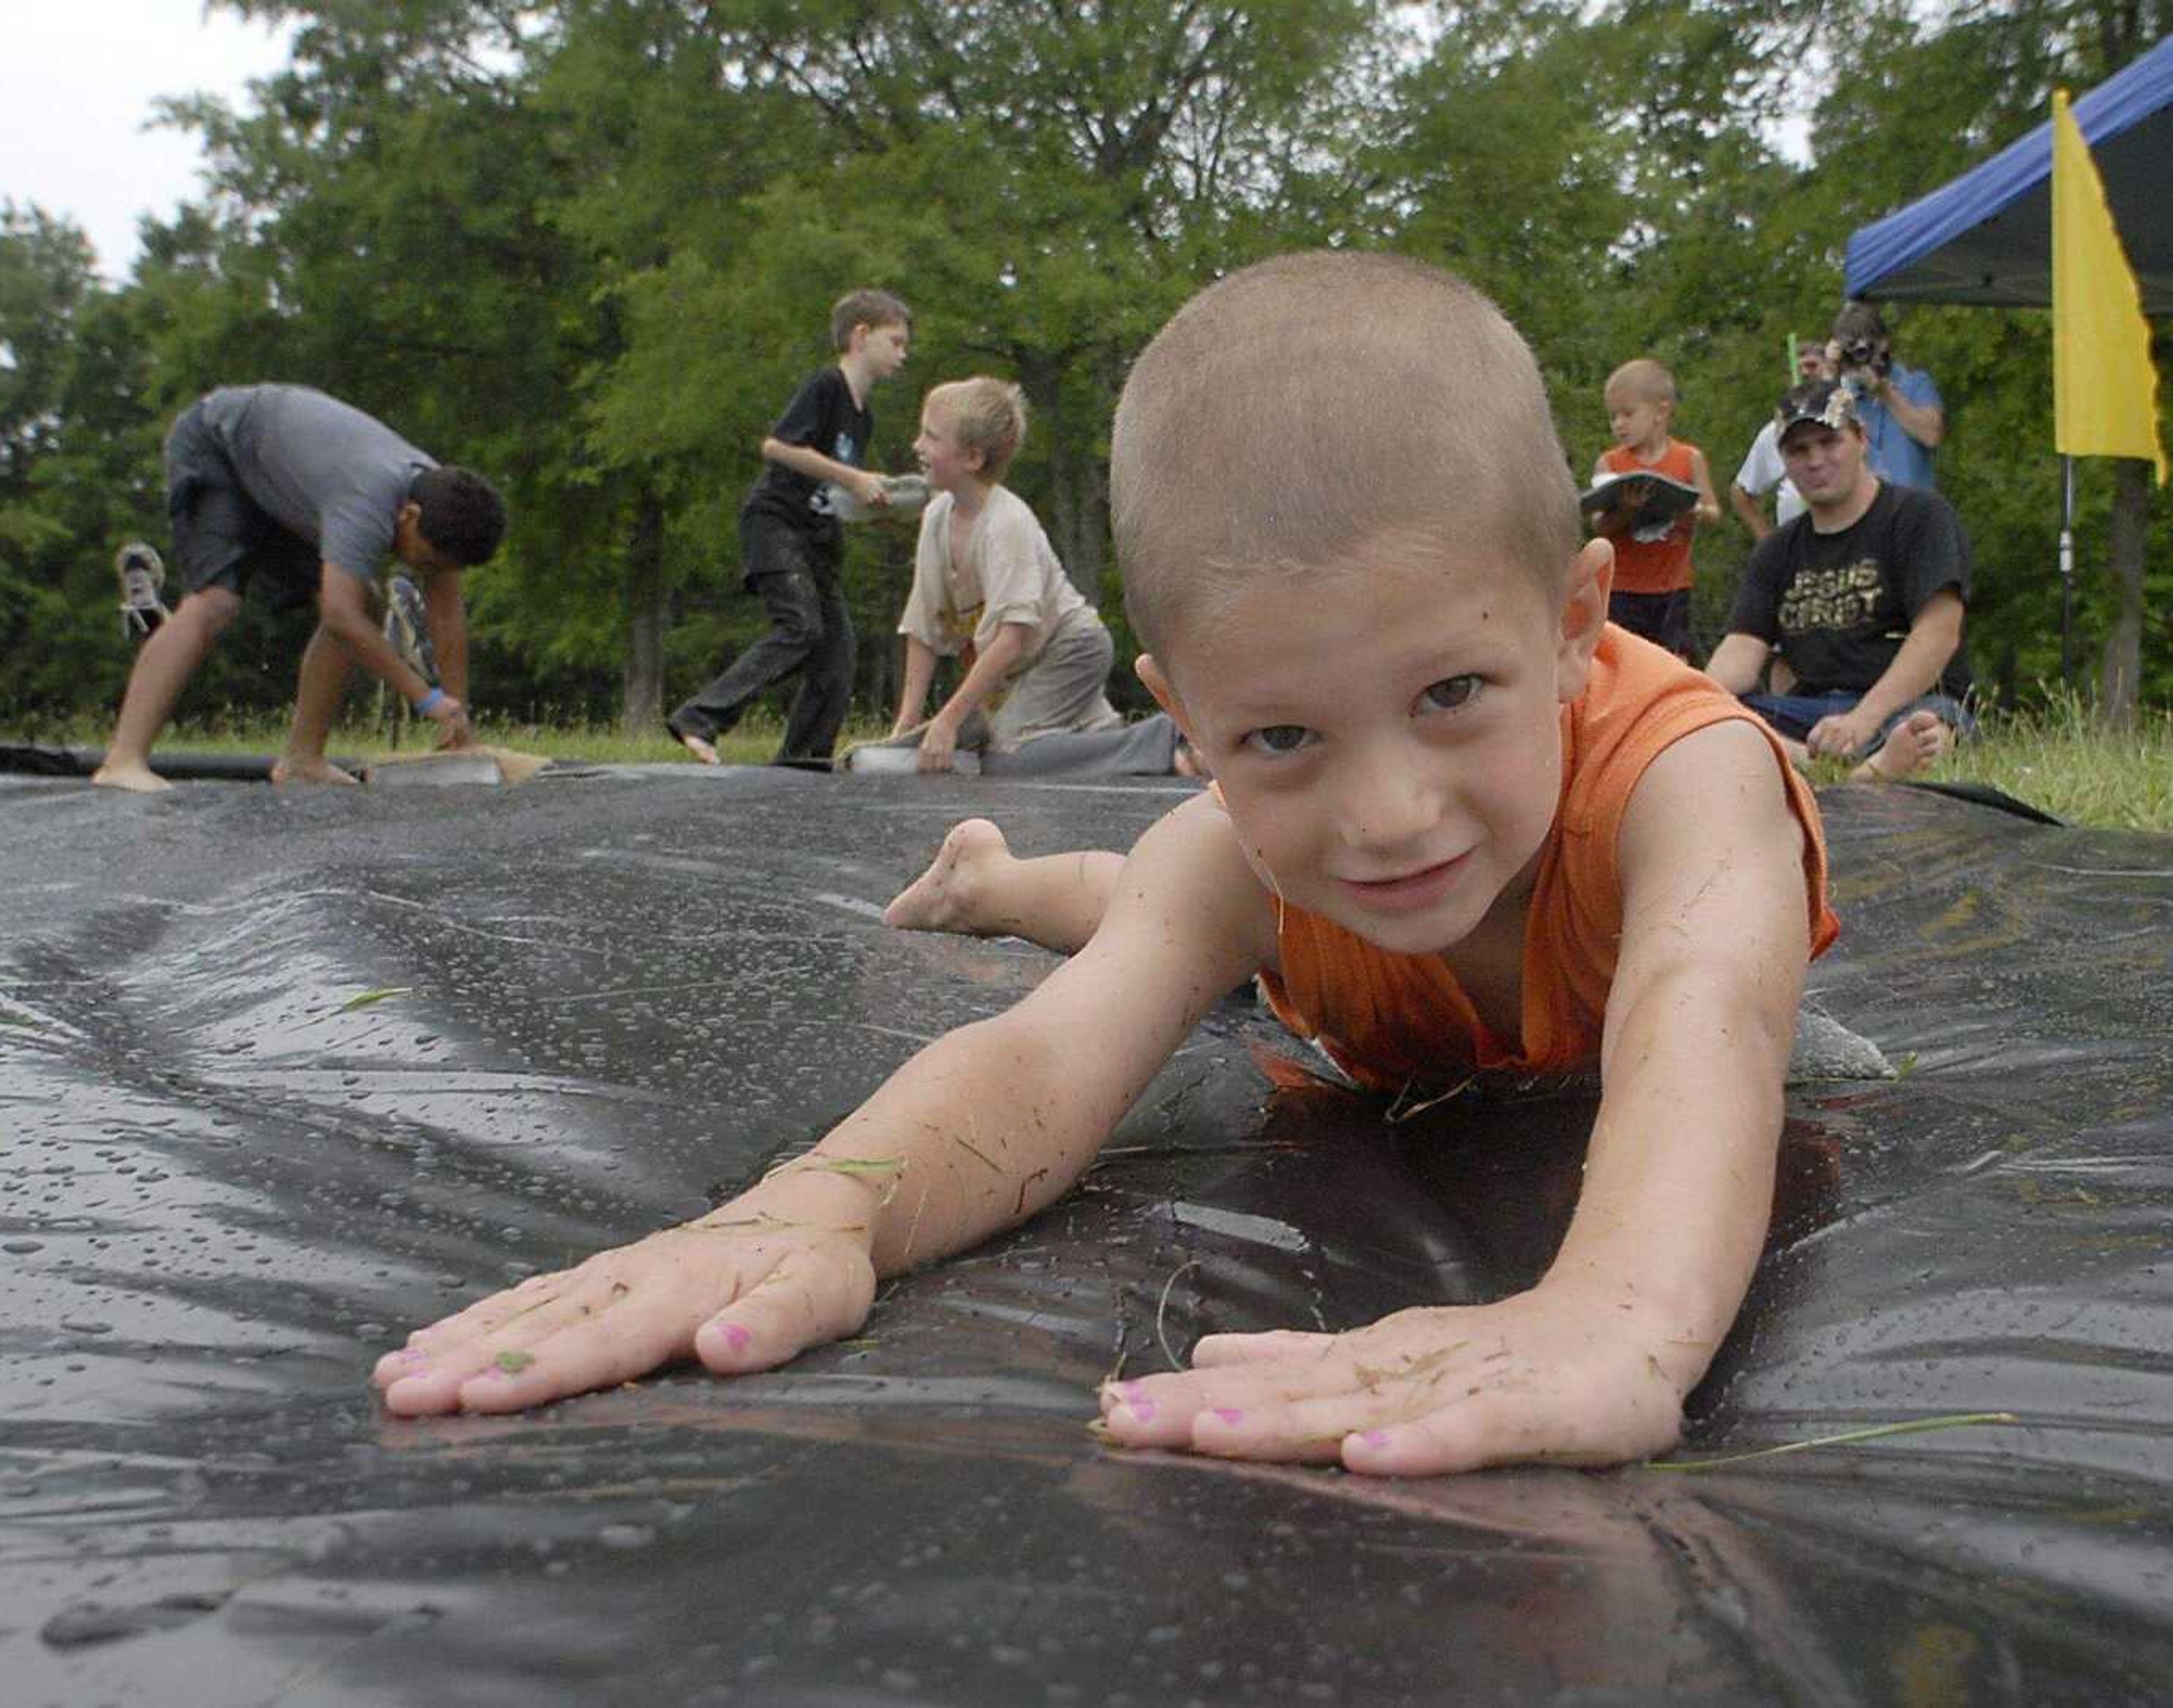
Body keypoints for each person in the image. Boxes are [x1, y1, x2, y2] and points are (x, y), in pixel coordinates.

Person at [375, 251, 1838, 1478]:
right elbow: (1042, 1059)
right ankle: (1001, 880)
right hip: (1303, 937)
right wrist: (817, 1202)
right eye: (1279, 732)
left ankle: (1023, 871)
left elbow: (1706, 1012)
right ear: (1185, 715)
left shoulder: (1684, 776)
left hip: (1524, 977)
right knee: (1178, 894)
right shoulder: (1250, 841)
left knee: (1211, 878)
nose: (1389, 808)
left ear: (1579, 620)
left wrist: (1615, 1311)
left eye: (1453, 693)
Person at [90, 383, 505, 793]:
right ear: (408, 516)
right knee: (217, 602)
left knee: (366, 602)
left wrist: (458, 716)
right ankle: (122, 760)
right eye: (426, 561)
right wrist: (426, 698)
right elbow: (340, 619)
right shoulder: (368, 499)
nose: (424, 570)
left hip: (279, 479)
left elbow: (447, 613)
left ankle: (303, 760)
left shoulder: (445, 504)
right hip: (218, 445)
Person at [666, 290, 912, 768]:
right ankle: (699, 717)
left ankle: (803, 759)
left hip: (818, 536)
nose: (904, 354)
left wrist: (883, 502)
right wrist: (854, 477)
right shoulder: (826, 386)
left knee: (838, 654)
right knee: (800, 627)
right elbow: (778, 447)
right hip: (776, 522)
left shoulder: (864, 418)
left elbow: (833, 490)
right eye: (896, 341)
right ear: (861, 336)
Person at [1705, 379, 1973, 783]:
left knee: (1930, 728)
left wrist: (1863, 720)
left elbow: (1939, 633)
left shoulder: (1920, 516)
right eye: (1799, 450)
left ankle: (1840, 763)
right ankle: (1841, 769)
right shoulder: (1776, 550)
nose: (1815, 461)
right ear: (1784, 461)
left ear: (1861, 439)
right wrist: (1691, 698)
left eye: (1829, 442)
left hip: (1904, 704)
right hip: (1809, 716)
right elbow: (1742, 648)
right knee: (1716, 719)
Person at [850, 377, 1121, 772]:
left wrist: (948, 720)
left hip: (1071, 648)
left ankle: (1161, 742)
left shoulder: (1006, 523)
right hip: (1023, 665)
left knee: (1002, 754)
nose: (917, 446)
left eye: (931, 437)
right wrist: (906, 725)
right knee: (1038, 743)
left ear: (972, 459)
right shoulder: (937, 517)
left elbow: (1012, 639)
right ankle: (1114, 743)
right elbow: (923, 632)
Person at [1585, 359, 1719, 660]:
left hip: (1673, 584)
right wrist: (1627, 510)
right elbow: (1599, 526)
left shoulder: (1689, 458)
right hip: (1625, 587)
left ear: (1661, 411)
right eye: (1613, 417)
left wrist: (1692, 512)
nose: (1619, 424)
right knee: (1625, 660)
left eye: (1628, 414)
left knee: (1675, 658)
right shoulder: (1611, 464)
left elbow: (1713, 511)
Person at [1826, 301, 1944, 490]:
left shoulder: (1914, 383)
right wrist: (1830, 374)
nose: (1860, 359)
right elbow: (1821, 446)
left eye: (1863, 350)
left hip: (1914, 511)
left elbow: (1931, 436)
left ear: (1884, 342)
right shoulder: (1841, 397)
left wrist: (1885, 394)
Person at [1729, 340, 1834, 541]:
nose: (1804, 373)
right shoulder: (1776, 431)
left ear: (1828, 369)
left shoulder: (1850, 420)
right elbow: (1741, 492)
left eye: (1812, 366)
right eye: (1798, 367)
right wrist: (1769, 544)